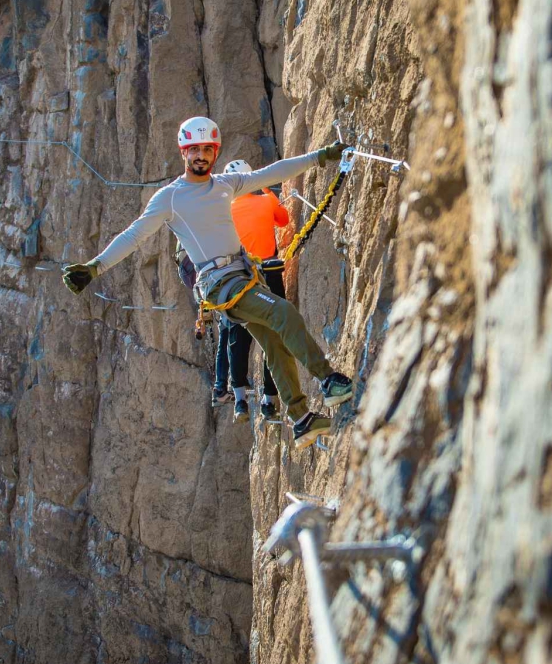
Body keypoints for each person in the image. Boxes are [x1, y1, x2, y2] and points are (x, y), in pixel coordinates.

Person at [62, 116, 353, 448]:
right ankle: (329, 380)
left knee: (274, 342)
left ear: (215, 152)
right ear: (184, 152)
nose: (201, 155)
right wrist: (95, 268)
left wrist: (320, 156)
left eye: (207, 149)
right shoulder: (171, 197)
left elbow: (272, 172)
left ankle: (301, 419)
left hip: (242, 277)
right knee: (283, 313)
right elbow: (135, 235)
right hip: (220, 284)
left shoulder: (224, 185)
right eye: (194, 149)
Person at [211, 159, 291, 422]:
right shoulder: (265, 202)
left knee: (237, 336)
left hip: (239, 278)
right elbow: (284, 220)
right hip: (269, 274)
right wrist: (267, 190)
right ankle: (269, 399)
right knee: (273, 335)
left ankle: (240, 400)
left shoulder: (224, 212)